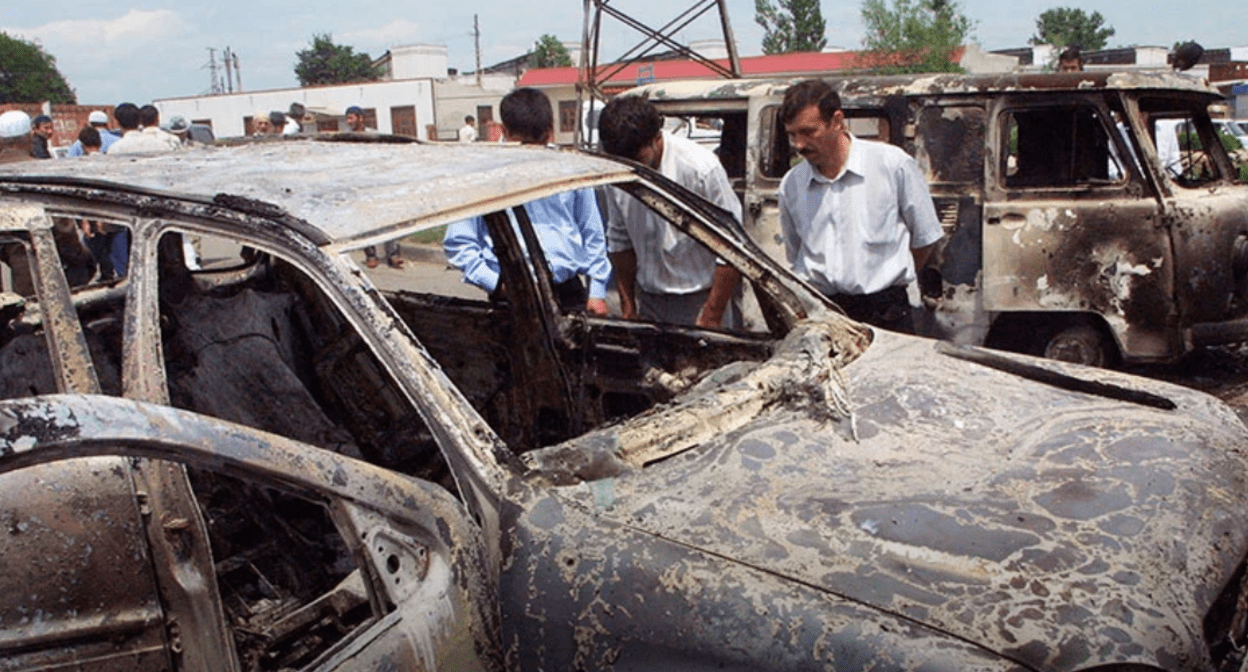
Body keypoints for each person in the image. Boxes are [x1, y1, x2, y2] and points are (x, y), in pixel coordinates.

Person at [776, 79, 943, 334]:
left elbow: (925, 238)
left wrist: (886, 275)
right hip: (823, 317)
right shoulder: (792, 184)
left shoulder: (891, 165)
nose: (799, 144)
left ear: (837, 121)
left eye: (808, 132)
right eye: (792, 134)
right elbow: (796, 251)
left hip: (886, 315)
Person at [444, 88, 610, 314]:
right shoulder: (482, 176)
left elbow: (592, 232)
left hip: (569, 295)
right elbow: (459, 242)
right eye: (523, 145)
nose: (532, 153)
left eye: (539, 143)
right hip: (512, 299)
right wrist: (496, 285)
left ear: (550, 133)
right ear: (505, 131)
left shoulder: (571, 169)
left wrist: (597, 290)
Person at [596, 95, 742, 328]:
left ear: (656, 138)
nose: (634, 168)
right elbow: (620, 241)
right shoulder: (619, 173)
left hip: (702, 301)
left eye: (639, 159)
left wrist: (712, 314)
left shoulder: (701, 168)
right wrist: (628, 305)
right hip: (650, 301)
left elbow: (731, 247)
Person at [342, 106, 402, 268]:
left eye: (351, 118)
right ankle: (371, 255)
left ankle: (393, 254)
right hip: (359, 185)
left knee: (388, 220)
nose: (349, 121)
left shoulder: (374, 135)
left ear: (361, 118)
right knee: (365, 222)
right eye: (347, 118)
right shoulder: (346, 138)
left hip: (377, 183)